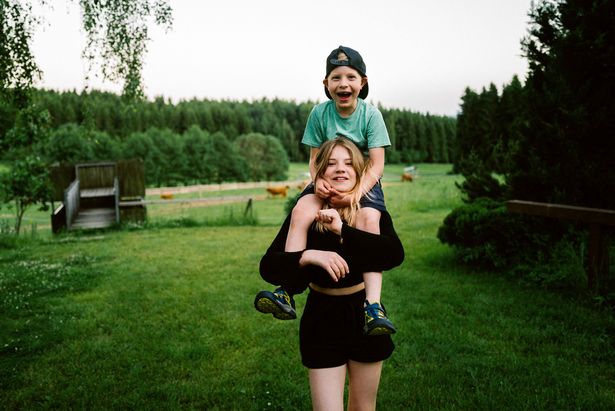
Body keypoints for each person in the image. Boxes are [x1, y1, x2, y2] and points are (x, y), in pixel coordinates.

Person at [255, 45, 396, 336]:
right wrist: (317, 180)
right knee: (302, 209)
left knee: (370, 220)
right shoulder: (319, 114)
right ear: (326, 85)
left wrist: (354, 195)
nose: (343, 83)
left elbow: (377, 165)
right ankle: (287, 289)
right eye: (336, 78)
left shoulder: (372, 116)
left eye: (351, 77)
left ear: (363, 83)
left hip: (363, 179)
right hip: (328, 176)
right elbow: (315, 158)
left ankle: (373, 305)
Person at [258, 137, 405, 410]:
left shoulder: (370, 212)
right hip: (321, 318)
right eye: (332, 164)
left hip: (365, 317)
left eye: (349, 164)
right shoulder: (307, 211)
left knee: (363, 407)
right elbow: (268, 266)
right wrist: (308, 256)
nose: (341, 169)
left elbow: (393, 254)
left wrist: (343, 231)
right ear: (321, 172)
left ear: (359, 172)